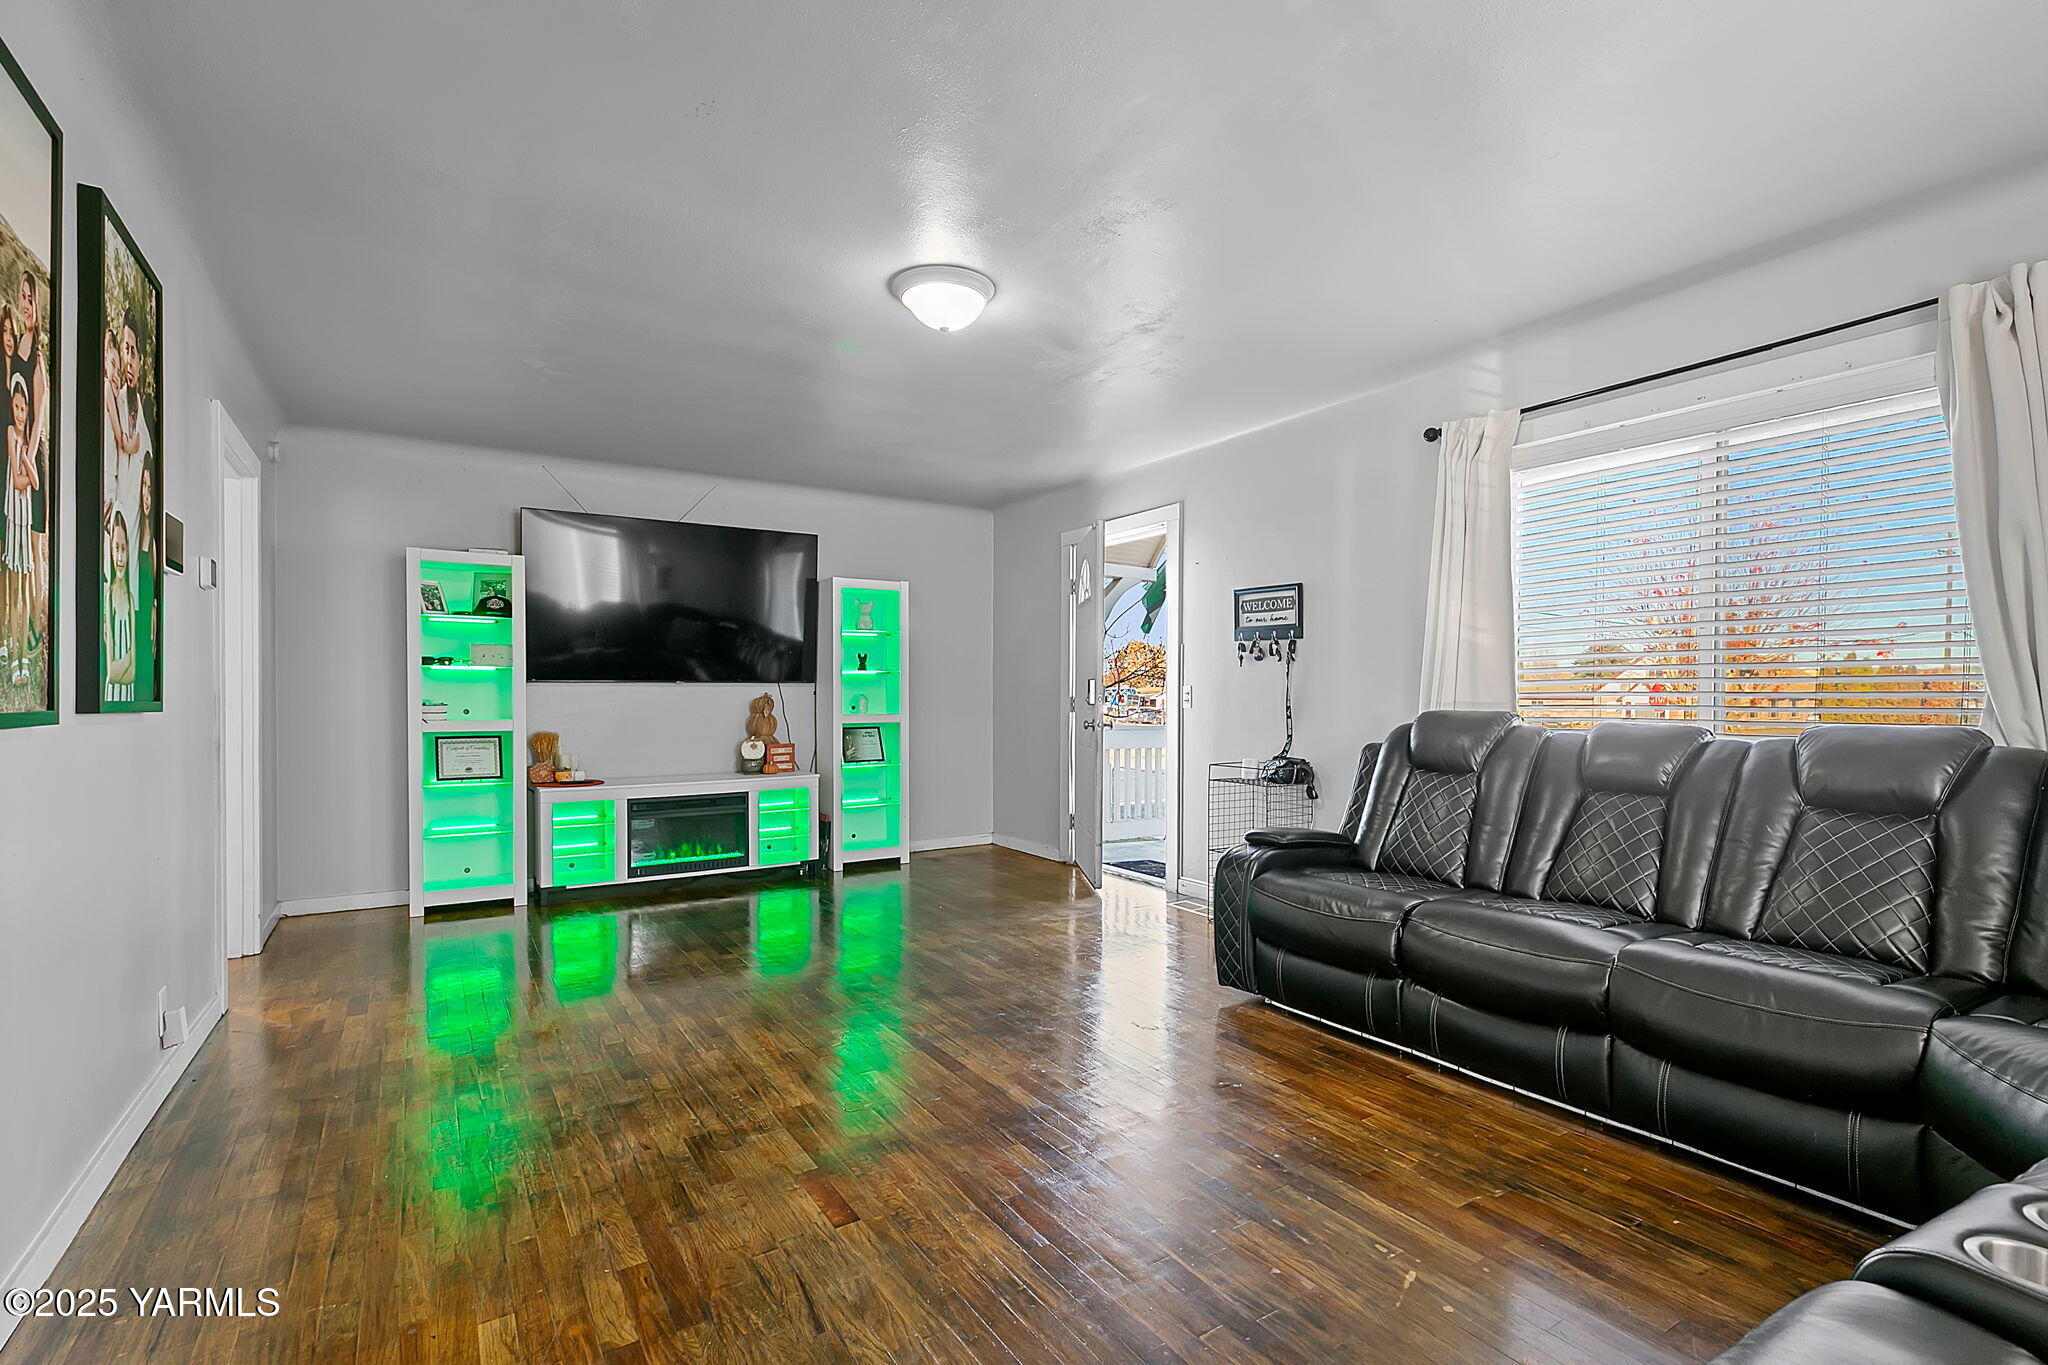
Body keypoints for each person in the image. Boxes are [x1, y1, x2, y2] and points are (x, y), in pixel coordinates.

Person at [4, 374, 35, 682]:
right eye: (16, 406)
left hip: (25, 518)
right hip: (13, 515)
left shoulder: (29, 441)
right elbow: (17, 479)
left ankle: (24, 657)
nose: (20, 413)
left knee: (24, 591)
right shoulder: (11, 432)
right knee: (14, 590)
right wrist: (26, 466)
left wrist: (26, 465)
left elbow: (34, 482)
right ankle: (13, 654)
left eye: (24, 408)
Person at [103, 509, 135, 702]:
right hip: (111, 696)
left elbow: (133, 674)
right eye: (116, 548)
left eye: (124, 549)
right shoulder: (109, 598)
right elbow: (112, 673)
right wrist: (129, 657)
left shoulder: (130, 599)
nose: (121, 558)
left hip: (128, 695)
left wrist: (121, 665)